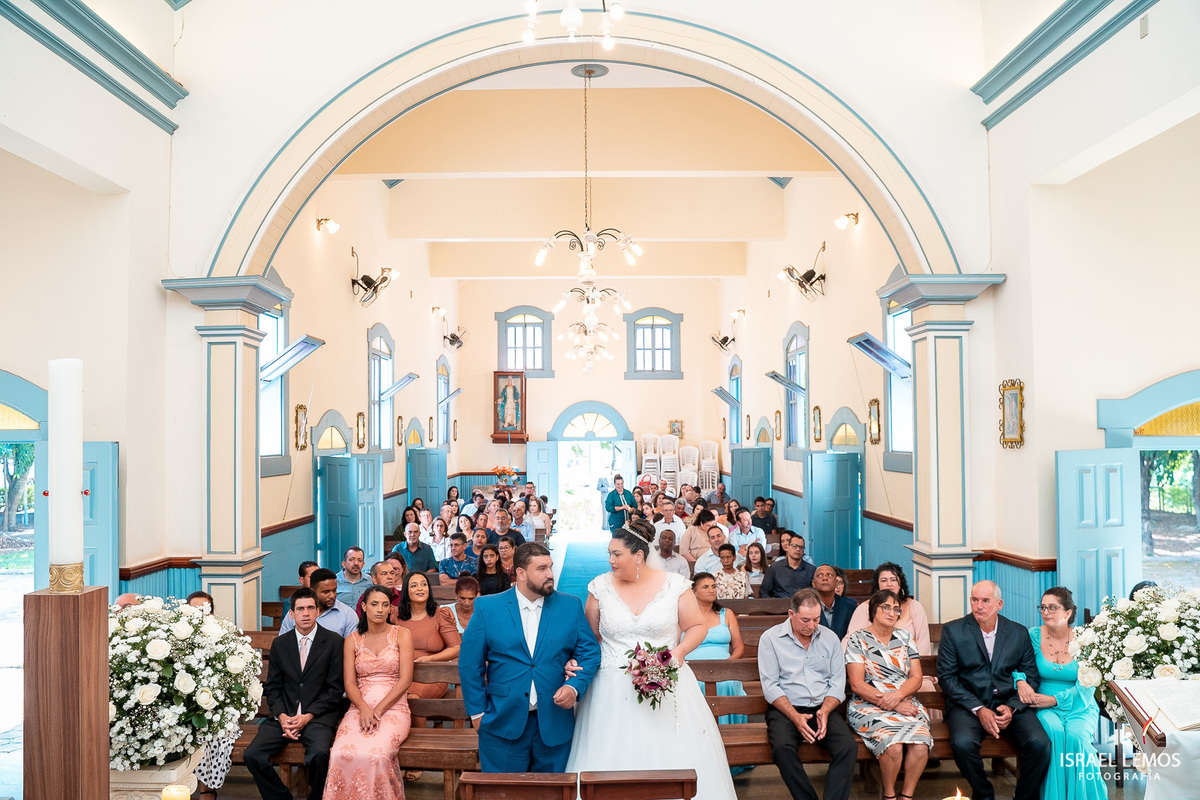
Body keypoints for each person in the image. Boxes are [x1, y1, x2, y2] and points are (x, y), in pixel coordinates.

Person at [565, 523, 737, 797]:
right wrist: (574, 661)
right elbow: (590, 638)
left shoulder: (675, 585)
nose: (610, 560)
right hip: (610, 689)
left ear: (638, 556)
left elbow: (697, 627)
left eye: (617, 554)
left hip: (666, 681)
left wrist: (674, 657)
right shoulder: (600, 587)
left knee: (670, 749)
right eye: (609, 553)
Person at [458, 542, 601, 771]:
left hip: (554, 722)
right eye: (541, 569)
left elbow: (590, 651)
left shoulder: (570, 606)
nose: (550, 575)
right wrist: (478, 713)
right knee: (502, 794)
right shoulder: (487, 608)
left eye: (550, 567)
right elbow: (469, 664)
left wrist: (574, 686)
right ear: (521, 573)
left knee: (553, 794)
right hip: (501, 721)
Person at [938, 580, 1050, 800]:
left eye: (986, 601)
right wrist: (978, 709)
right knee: (962, 744)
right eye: (974, 599)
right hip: (968, 704)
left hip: (1009, 703)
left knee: (1040, 743)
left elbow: (1031, 676)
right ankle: (984, 794)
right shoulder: (953, 631)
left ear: (999, 604)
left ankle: (1024, 797)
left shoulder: (1018, 632)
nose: (979, 606)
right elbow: (947, 678)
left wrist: (1013, 707)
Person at [245, 588, 345, 800]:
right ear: (292, 614)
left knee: (320, 755)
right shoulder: (281, 644)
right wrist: (282, 716)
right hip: (283, 716)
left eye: (310, 608)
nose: (305, 613)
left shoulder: (334, 642)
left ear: (318, 611)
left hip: (317, 717)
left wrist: (307, 716)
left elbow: (335, 690)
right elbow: (272, 687)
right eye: (300, 609)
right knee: (252, 755)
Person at [758, 588, 857, 800]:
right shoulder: (771, 639)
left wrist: (826, 710)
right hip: (786, 709)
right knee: (782, 748)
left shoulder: (830, 638)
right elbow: (770, 686)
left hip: (823, 708)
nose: (812, 626)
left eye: (816, 619)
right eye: (805, 620)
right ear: (791, 614)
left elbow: (837, 683)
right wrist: (795, 716)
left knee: (848, 747)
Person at [323, 585, 414, 800]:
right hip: (359, 707)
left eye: (385, 605)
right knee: (339, 753)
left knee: (377, 755)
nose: (380, 610)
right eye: (374, 604)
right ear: (364, 607)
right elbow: (349, 684)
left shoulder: (402, 634)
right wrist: (364, 708)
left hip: (394, 707)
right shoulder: (352, 640)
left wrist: (378, 710)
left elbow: (406, 680)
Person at [1015, 588, 1107, 800]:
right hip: (1041, 704)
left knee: (1076, 738)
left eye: (1052, 607)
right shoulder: (1033, 636)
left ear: (1067, 613)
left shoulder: (1084, 640)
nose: (1046, 612)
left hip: (1079, 703)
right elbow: (1016, 664)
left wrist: (1056, 700)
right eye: (1043, 607)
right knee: (1055, 733)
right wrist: (1020, 681)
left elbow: (1089, 682)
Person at [845, 590, 932, 800]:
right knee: (893, 745)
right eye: (886, 607)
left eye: (896, 609)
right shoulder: (858, 639)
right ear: (874, 609)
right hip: (868, 704)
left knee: (921, 745)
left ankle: (907, 796)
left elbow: (917, 677)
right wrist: (893, 704)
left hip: (904, 700)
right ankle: (890, 795)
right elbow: (857, 684)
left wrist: (899, 695)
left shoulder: (905, 638)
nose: (892, 612)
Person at [687, 572, 749, 732]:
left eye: (714, 586)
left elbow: (739, 647)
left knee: (727, 683)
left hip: (724, 669)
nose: (711, 590)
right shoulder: (685, 615)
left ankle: (729, 731)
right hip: (692, 670)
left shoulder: (726, 613)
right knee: (691, 684)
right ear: (694, 591)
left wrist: (727, 666)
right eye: (705, 587)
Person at [189, 591, 235, 800]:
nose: (199, 615)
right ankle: (183, 787)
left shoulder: (224, 639)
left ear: (212, 613)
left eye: (204, 610)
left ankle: (207, 789)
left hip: (217, 707)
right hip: (189, 707)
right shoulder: (178, 637)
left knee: (214, 734)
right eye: (194, 610)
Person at [394, 571, 461, 699]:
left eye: (423, 584)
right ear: (406, 591)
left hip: (432, 674)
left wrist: (429, 659)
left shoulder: (440, 614)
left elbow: (456, 648)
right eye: (414, 585)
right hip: (401, 674)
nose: (420, 588)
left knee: (412, 697)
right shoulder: (395, 615)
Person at [843, 563, 932, 658]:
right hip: (872, 664)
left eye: (893, 580)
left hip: (910, 664)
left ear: (900, 583)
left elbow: (923, 643)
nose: (889, 584)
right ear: (878, 585)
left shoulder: (914, 606)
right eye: (884, 580)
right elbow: (851, 639)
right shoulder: (865, 608)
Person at [280, 568, 358, 638]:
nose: (332, 595)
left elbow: (353, 647)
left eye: (334, 590)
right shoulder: (296, 612)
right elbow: (283, 643)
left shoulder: (348, 614)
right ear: (313, 591)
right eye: (326, 592)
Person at [760, 534, 816, 599]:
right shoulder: (775, 568)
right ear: (788, 547)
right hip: (780, 605)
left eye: (801, 547)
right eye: (794, 546)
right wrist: (772, 605)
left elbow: (815, 592)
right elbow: (764, 590)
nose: (798, 549)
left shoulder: (811, 570)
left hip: (803, 606)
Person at [812, 564, 857, 639]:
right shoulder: (806, 606)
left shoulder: (850, 605)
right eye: (820, 575)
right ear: (813, 584)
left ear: (836, 582)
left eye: (829, 575)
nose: (825, 578)